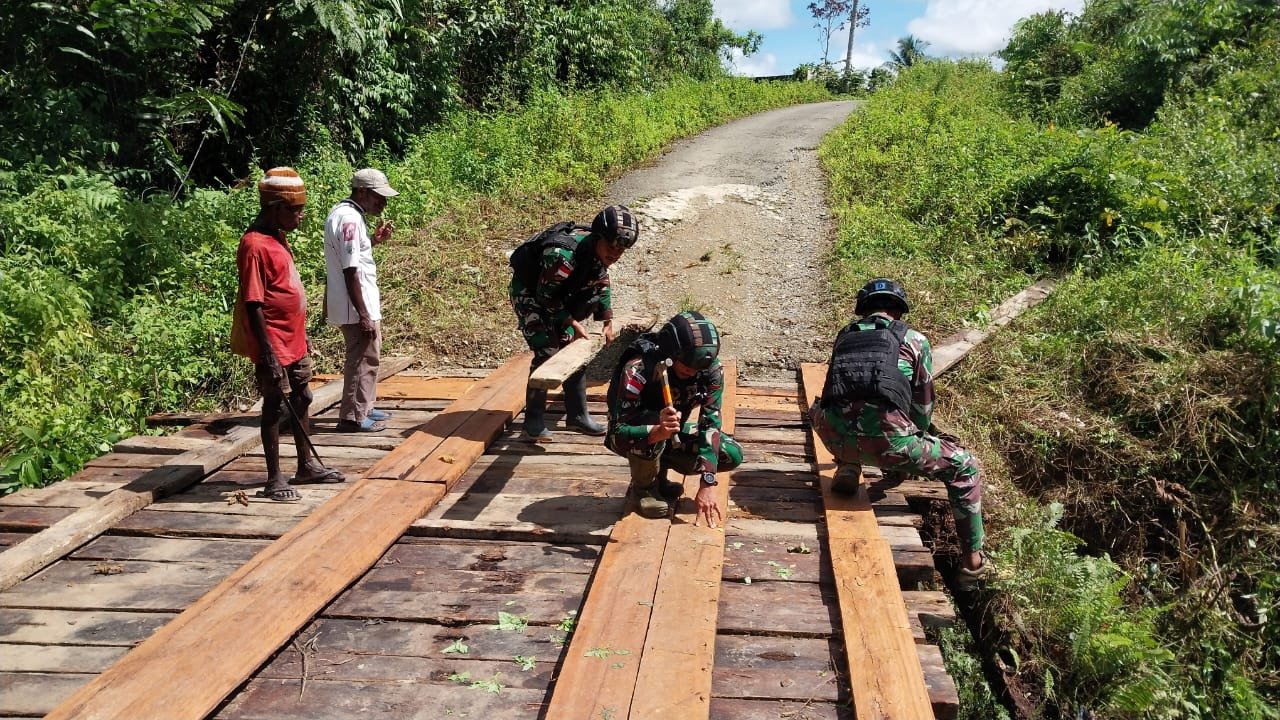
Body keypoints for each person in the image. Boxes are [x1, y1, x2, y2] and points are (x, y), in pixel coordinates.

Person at [810, 278, 990, 589]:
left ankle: (849, 465)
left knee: (841, 409)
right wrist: (903, 451)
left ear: (863, 310)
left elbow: (834, 390)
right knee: (965, 466)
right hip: (888, 444)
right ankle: (971, 565)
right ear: (899, 311)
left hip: (831, 433)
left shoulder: (845, 335)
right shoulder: (915, 341)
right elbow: (922, 408)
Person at [231, 167, 345, 502]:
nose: (300, 215)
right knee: (274, 406)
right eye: (294, 209)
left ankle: (307, 465)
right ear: (274, 208)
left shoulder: (277, 237)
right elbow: (254, 303)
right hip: (274, 345)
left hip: (294, 340)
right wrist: (267, 355)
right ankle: (274, 478)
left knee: (303, 398)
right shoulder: (254, 245)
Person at [508, 204, 639, 441]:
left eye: (621, 251)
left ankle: (577, 416)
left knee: (573, 349)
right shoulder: (562, 255)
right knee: (547, 351)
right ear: (599, 238)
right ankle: (533, 421)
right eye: (611, 247)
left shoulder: (599, 254)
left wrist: (606, 320)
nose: (615, 254)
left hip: (560, 294)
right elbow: (545, 297)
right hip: (531, 296)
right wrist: (572, 322)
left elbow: (601, 283)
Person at [604, 311, 743, 526]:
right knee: (652, 422)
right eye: (687, 367)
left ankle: (660, 474)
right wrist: (657, 431)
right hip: (634, 434)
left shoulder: (711, 370)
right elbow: (617, 433)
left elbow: (710, 424)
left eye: (698, 369)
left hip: (672, 432)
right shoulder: (637, 370)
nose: (692, 372)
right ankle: (643, 488)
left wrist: (708, 482)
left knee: (729, 453)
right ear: (670, 353)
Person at [324, 168, 398, 433]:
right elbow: (351, 269)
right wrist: (364, 314)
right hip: (356, 305)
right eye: (378, 196)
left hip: (355, 302)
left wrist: (373, 241)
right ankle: (353, 416)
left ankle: (364, 405)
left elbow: (352, 256)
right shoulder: (350, 221)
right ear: (362, 192)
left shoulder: (345, 214)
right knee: (362, 358)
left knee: (369, 356)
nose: (383, 202)